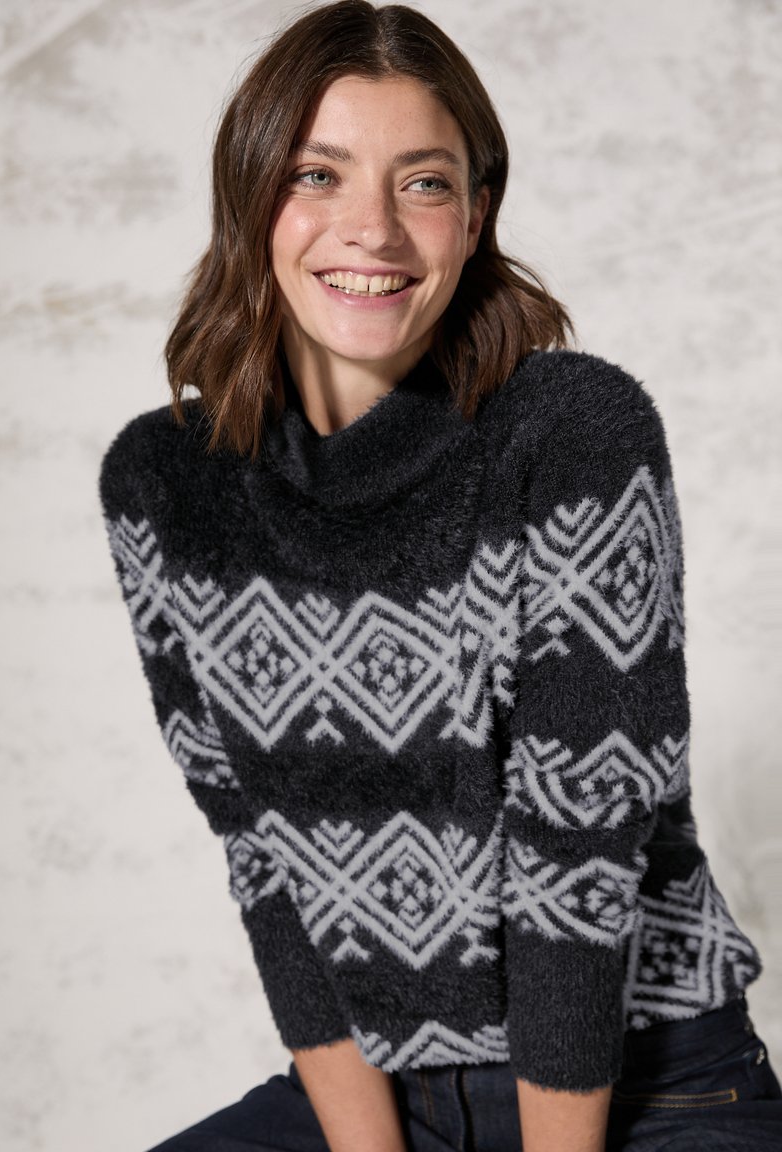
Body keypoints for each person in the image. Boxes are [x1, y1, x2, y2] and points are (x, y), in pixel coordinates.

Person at [99, 2, 781, 1149]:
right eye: (316, 175)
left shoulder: (570, 431)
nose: (370, 229)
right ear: (250, 199)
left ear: (474, 215)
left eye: (420, 182)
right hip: (374, 1090)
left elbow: (578, 860)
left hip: (646, 1089)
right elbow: (263, 857)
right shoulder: (165, 484)